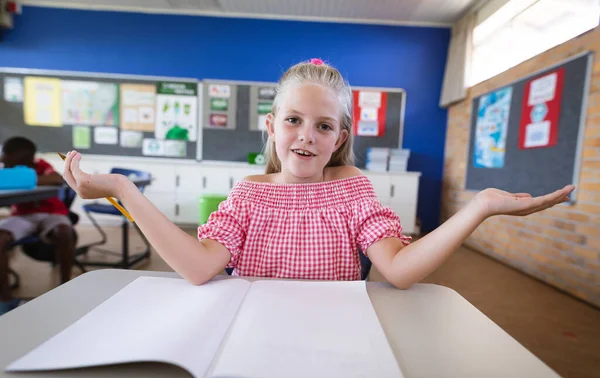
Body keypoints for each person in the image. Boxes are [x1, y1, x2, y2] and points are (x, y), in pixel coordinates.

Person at [61, 59, 573, 288]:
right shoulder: (248, 195)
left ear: (339, 138)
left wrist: (479, 207)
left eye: (323, 125)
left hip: (336, 342)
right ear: (272, 126)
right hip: (250, 336)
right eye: (293, 120)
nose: (306, 135)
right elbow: (198, 268)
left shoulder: (353, 191)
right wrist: (123, 189)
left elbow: (398, 270)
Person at [0, 137, 75, 315]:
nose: (3, 159)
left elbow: (57, 179)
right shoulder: (5, 169)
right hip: (23, 216)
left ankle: (66, 287)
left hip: (52, 213)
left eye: (6, 156)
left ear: (23, 157)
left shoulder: (40, 165)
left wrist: (24, 178)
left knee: (64, 232)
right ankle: (6, 297)